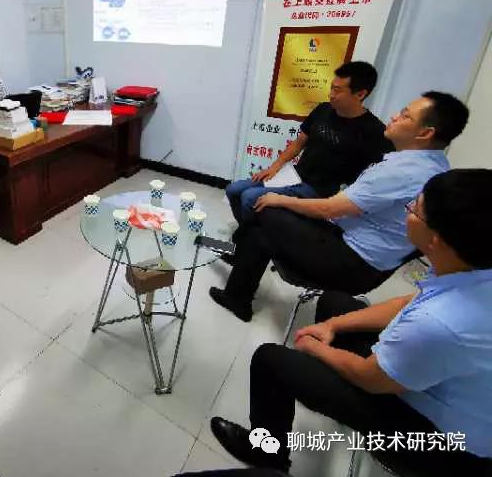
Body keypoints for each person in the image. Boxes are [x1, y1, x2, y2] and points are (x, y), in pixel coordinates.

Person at [209, 169, 492, 476]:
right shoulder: (470, 268)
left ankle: (268, 457)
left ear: (436, 240)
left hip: (441, 443)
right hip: (434, 383)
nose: (408, 210)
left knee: (270, 361)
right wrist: (334, 326)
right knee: (335, 305)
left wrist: (316, 348)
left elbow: (370, 377)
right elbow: (410, 302)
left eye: (415, 209)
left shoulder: (438, 323)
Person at [211, 91, 469, 322]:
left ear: (425, 133)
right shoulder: (436, 166)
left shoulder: (400, 169)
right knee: (260, 227)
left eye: (405, 115)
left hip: (349, 260)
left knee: (263, 207)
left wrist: (279, 199)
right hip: (361, 252)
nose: (394, 117)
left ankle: (237, 268)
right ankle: (237, 295)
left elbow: (330, 209)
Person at [226, 61, 391, 226]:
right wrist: (275, 167)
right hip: (294, 176)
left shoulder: (374, 131)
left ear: (360, 94)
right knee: (234, 189)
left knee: (249, 197)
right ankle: (248, 230)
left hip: (320, 191)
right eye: (332, 88)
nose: (331, 94)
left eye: (337, 90)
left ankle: (250, 235)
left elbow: (372, 178)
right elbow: (298, 143)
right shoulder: (323, 110)